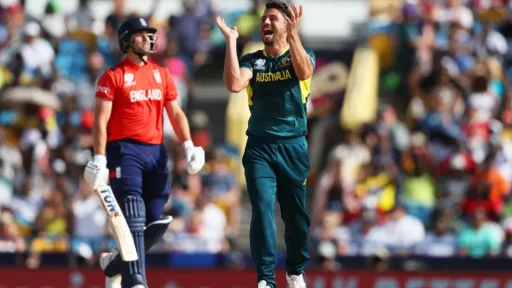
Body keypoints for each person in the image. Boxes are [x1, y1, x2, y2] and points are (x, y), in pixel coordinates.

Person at [83, 17, 205, 288]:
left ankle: (114, 263)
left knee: (152, 219)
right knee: (134, 216)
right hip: (123, 151)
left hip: (156, 153)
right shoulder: (112, 76)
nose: (149, 38)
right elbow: (100, 121)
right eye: (141, 35)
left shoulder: (162, 74)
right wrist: (100, 158)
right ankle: (135, 280)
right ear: (126, 41)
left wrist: (189, 145)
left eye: (150, 34)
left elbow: (175, 113)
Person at [216, 1, 315, 287]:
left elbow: (304, 72)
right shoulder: (252, 60)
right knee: (261, 207)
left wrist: (295, 36)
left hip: (293, 146)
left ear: (286, 24)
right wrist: (231, 43)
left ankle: (295, 269)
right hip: (259, 146)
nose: (265, 23)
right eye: (263, 19)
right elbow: (234, 84)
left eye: (273, 18)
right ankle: (266, 279)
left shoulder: (303, 53)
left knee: (296, 218)